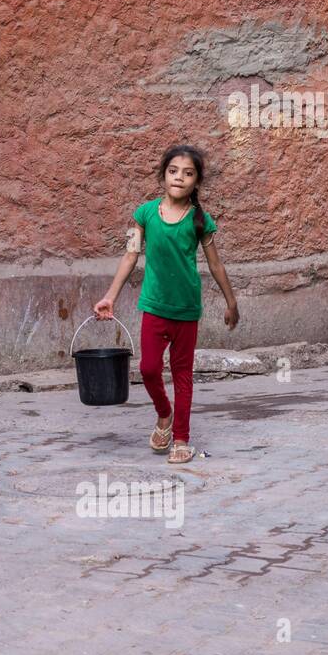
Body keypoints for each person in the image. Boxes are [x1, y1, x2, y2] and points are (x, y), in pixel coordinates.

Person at [93, 144, 239, 463]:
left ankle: (182, 439)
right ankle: (164, 414)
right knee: (147, 369)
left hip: (186, 309)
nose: (179, 178)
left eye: (188, 173)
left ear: (196, 181)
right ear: (163, 175)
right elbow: (131, 254)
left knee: (183, 374)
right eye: (173, 171)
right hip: (154, 307)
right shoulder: (144, 214)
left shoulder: (201, 221)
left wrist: (231, 301)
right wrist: (110, 296)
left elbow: (216, 265)